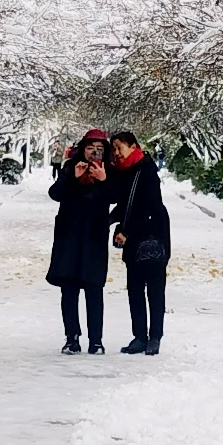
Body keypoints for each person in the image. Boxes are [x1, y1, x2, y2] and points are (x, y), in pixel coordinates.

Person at [47, 131, 116, 353]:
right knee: (69, 288)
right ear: (82, 149)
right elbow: (55, 194)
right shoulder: (70, 167)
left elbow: (117, 197)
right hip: (69, 236)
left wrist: (104, 181)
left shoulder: (109, 170)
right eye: (90, 148)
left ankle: (96, 340)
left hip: (94, 237)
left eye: (99, 148)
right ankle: (71, 337)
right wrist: (72, 178)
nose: (94, 153)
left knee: (94, 288)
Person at [108, 130, 170, 353]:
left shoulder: (145, 170)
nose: (116, 153)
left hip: (152, 234)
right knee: (134, 289)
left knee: (154, 289)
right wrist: (109, 220)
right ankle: (139, 336)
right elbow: (125, 204)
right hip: (134, 239)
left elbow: (148, 207)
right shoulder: (124, 172)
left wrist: (127, 231)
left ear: (133, 146)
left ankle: (155, 337)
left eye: (120, 147)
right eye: (113, 148)